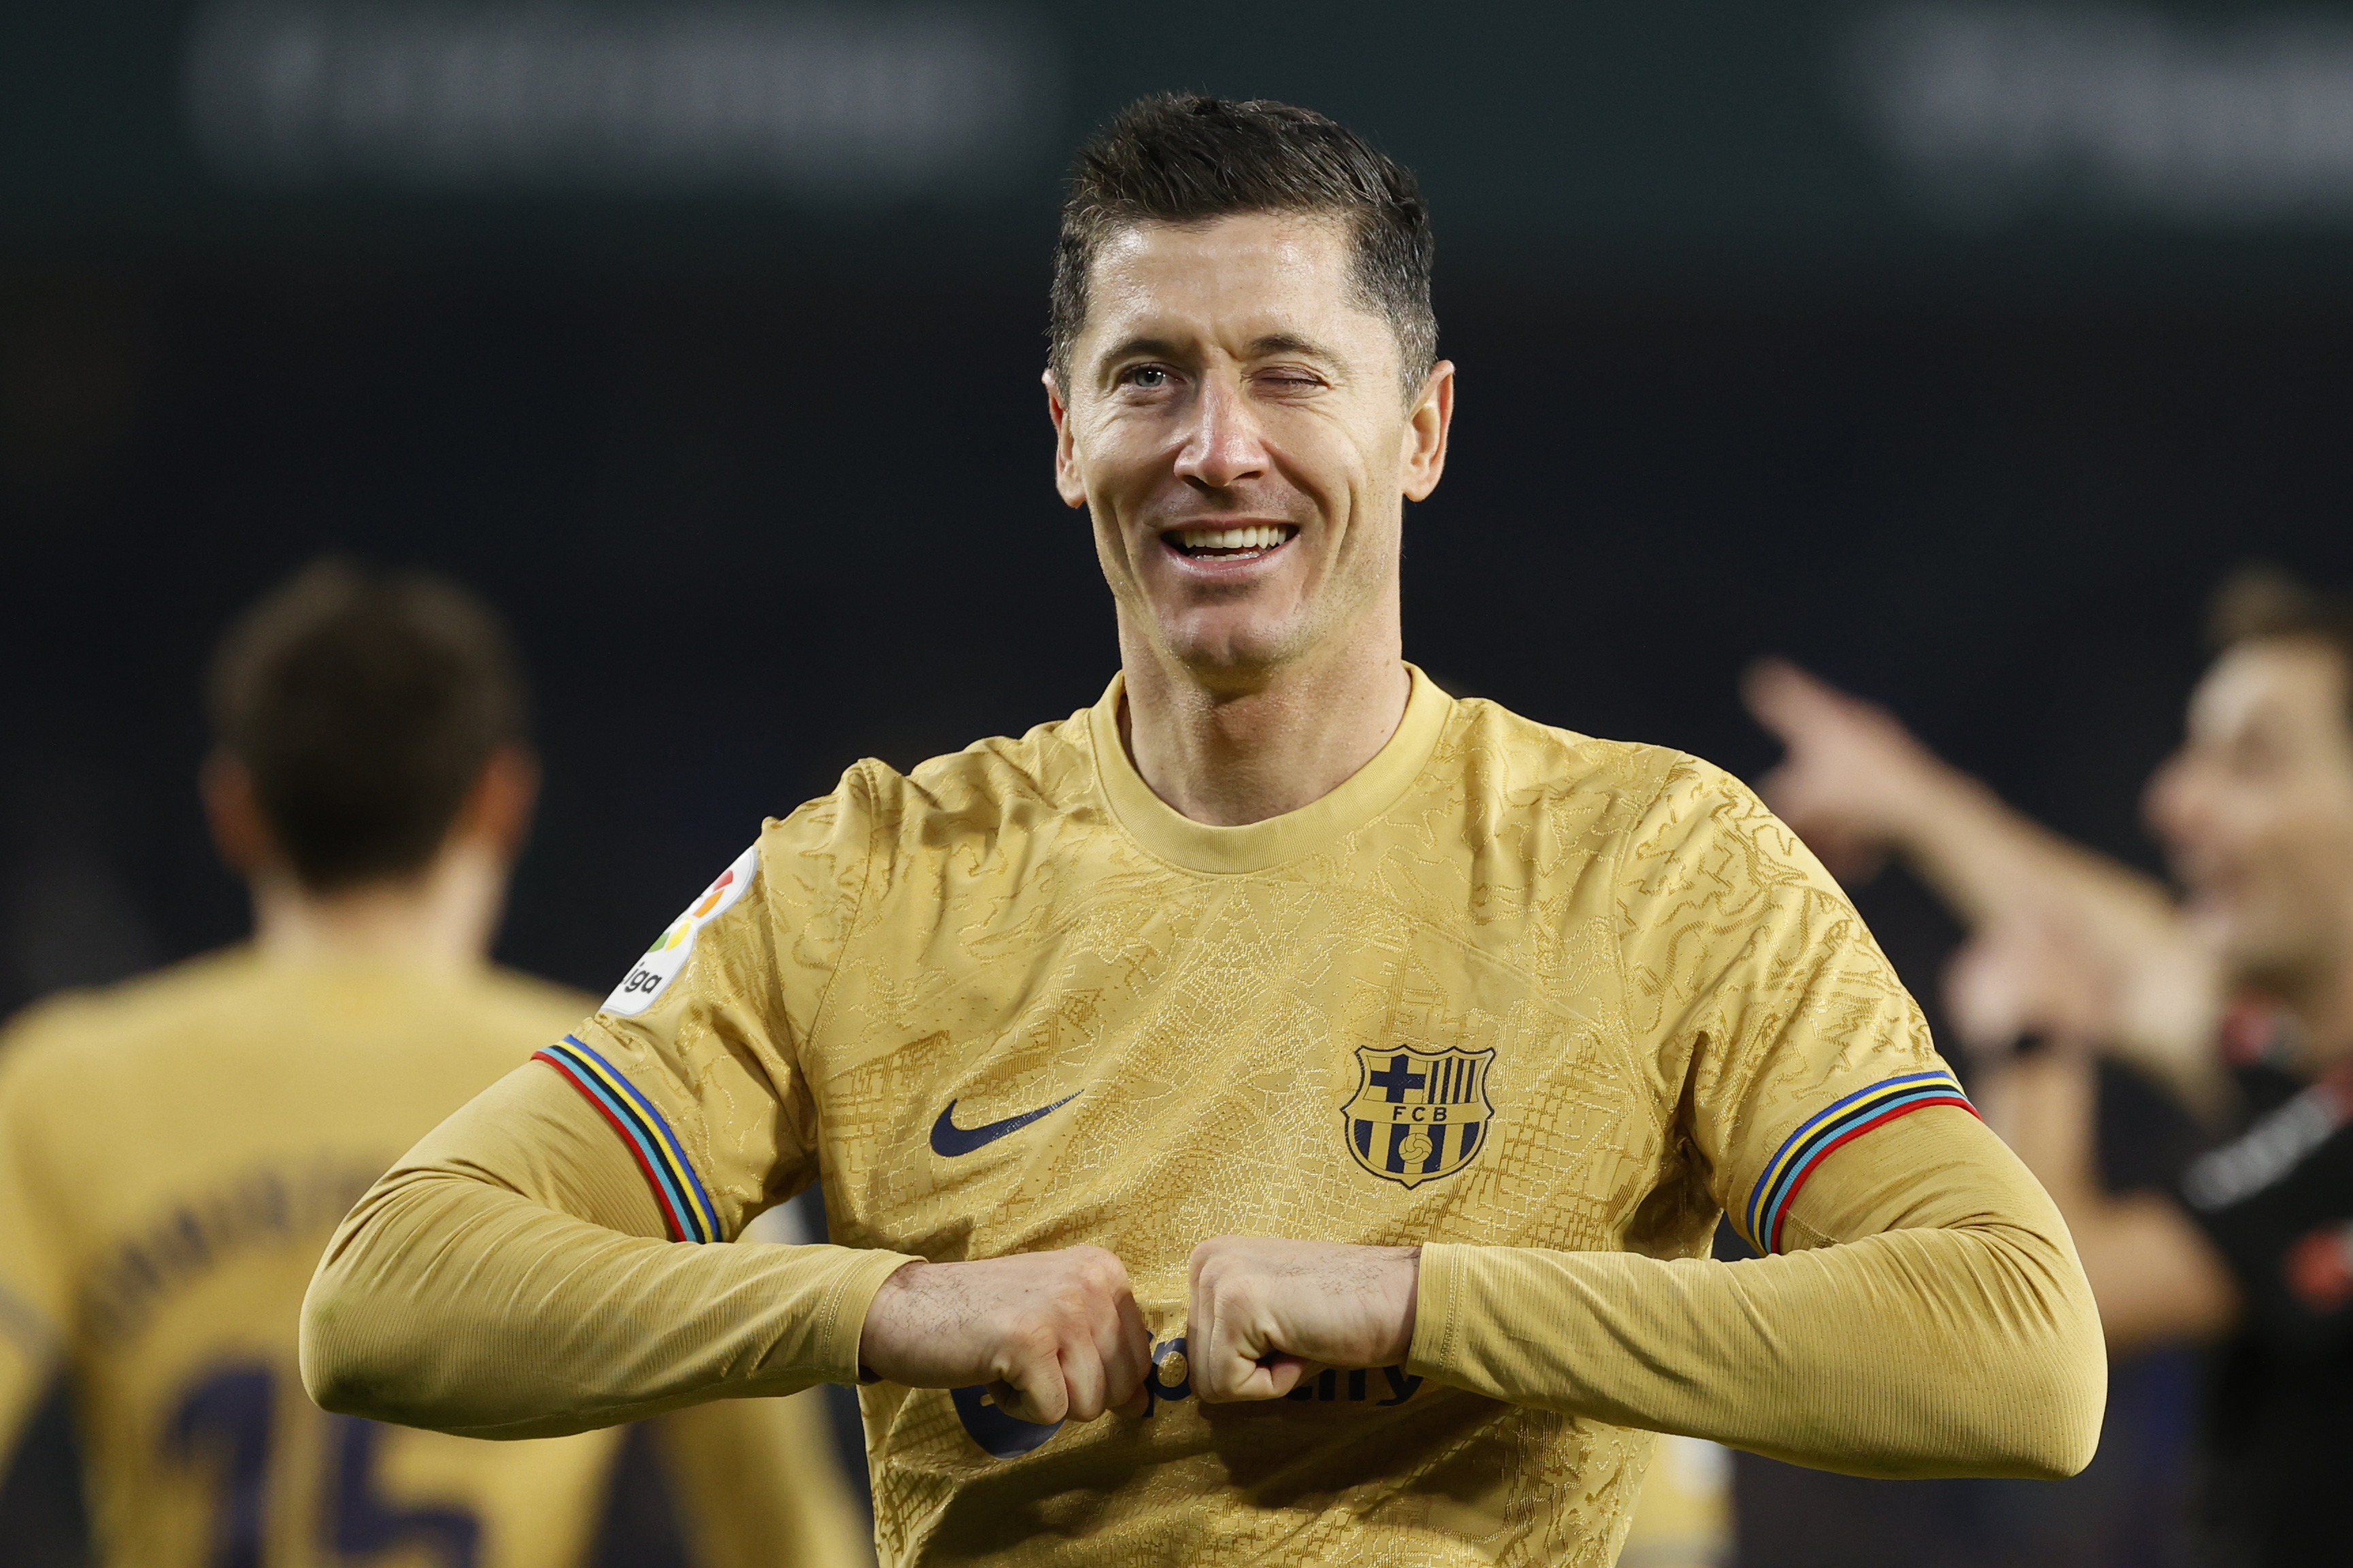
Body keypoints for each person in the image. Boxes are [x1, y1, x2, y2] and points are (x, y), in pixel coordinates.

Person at [302, 97, 2104, 1565]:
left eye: (1286, 373)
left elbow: (2020, 1356)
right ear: (1064, 432)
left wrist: (1416, 1303)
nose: (1214, 447)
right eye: (1149, 375)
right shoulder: (862, 877)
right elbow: (386, 1296)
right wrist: (883, 1312)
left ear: (1421, 429)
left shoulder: (1656, 866)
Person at [0, 562, 869, 1568]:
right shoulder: (651, 1085)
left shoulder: (63, 1086)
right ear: (502, 801)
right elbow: (785, 1537)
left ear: (235, 810)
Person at [1741, 566, 2353, 1566]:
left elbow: (2044, 1319)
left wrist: (2037, 1050)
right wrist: (1921, 803)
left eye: (2250, 763)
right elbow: (2139, 955)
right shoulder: (2305, 1070)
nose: (2174, 801)